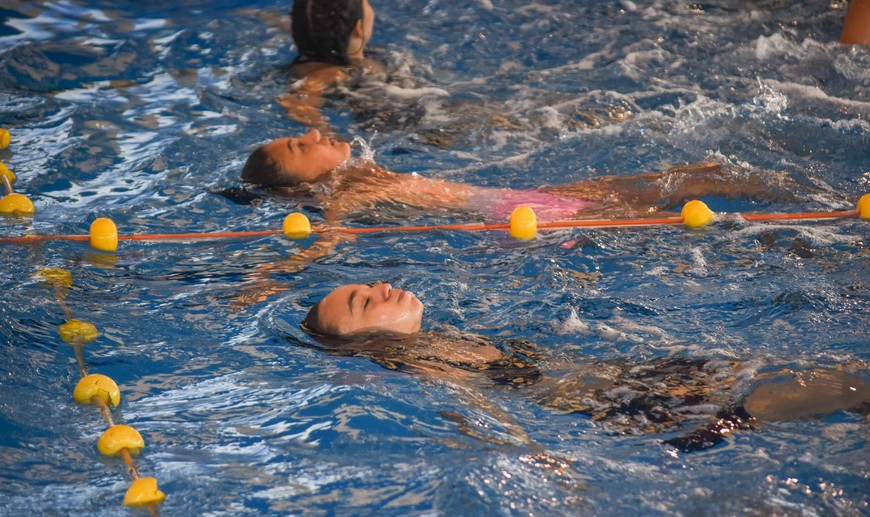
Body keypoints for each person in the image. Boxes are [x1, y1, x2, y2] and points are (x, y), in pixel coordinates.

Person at [233, 129, 802, 306]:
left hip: (528, 196)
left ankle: (793, 198)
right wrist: (268, 279)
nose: (313, 133)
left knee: (696, 174)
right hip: (525, 213)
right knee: (676, 207)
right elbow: (327, 239)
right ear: (302, 184)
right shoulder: (349, 191)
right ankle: (796, 236)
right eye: (301, 146)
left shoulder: (358, 169)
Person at [299, 282, 870, 452]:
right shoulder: (421, 363)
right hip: (633, 406)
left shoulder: (439, 340)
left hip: (637, 381)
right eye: (363, 302)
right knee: (844, 385)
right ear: (362, 342)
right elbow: (477, 413)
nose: (380, 287)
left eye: (367, 285)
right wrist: (541, 460)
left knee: (840, 378)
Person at [281, 0, 379, 130]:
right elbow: (295, 102)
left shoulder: (310, 52)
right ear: (359, 28)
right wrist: (328, 134)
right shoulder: (333, 73)